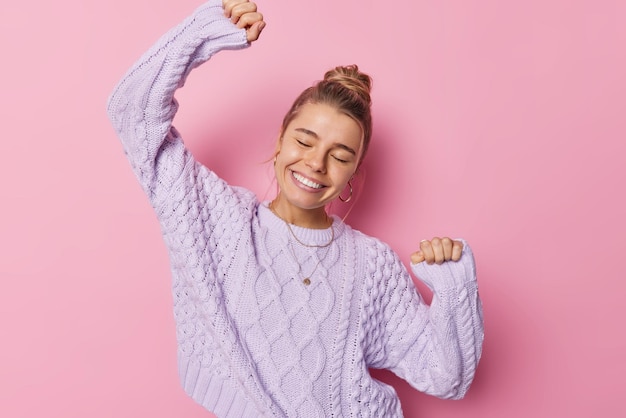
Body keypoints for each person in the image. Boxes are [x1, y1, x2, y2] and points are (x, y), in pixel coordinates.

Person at [107, 0, 484, 416]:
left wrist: (453, 286)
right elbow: (130, 112)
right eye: (305, 141)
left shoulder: (371, 265)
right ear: (281, 140)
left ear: (353, 174)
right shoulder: (220, 221)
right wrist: (203, 33)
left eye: (340, 156)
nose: (316, 164)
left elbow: (447, 377)